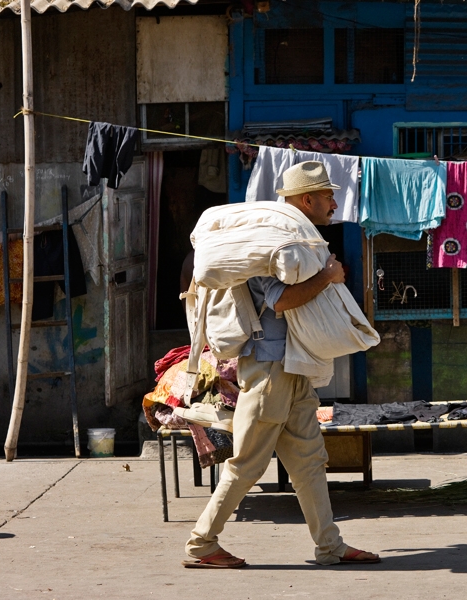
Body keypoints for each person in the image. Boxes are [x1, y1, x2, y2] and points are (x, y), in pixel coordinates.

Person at [183, 161, 380, 569]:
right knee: (247, 463)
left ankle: (330, 545)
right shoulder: (267, 250)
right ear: (306, 200)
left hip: (293, 370)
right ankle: (202, 544)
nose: (334, 203)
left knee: (309, 462)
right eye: (327, 196)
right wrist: (327, 276)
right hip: (268, 371)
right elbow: (281, 300)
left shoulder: (295, 245)